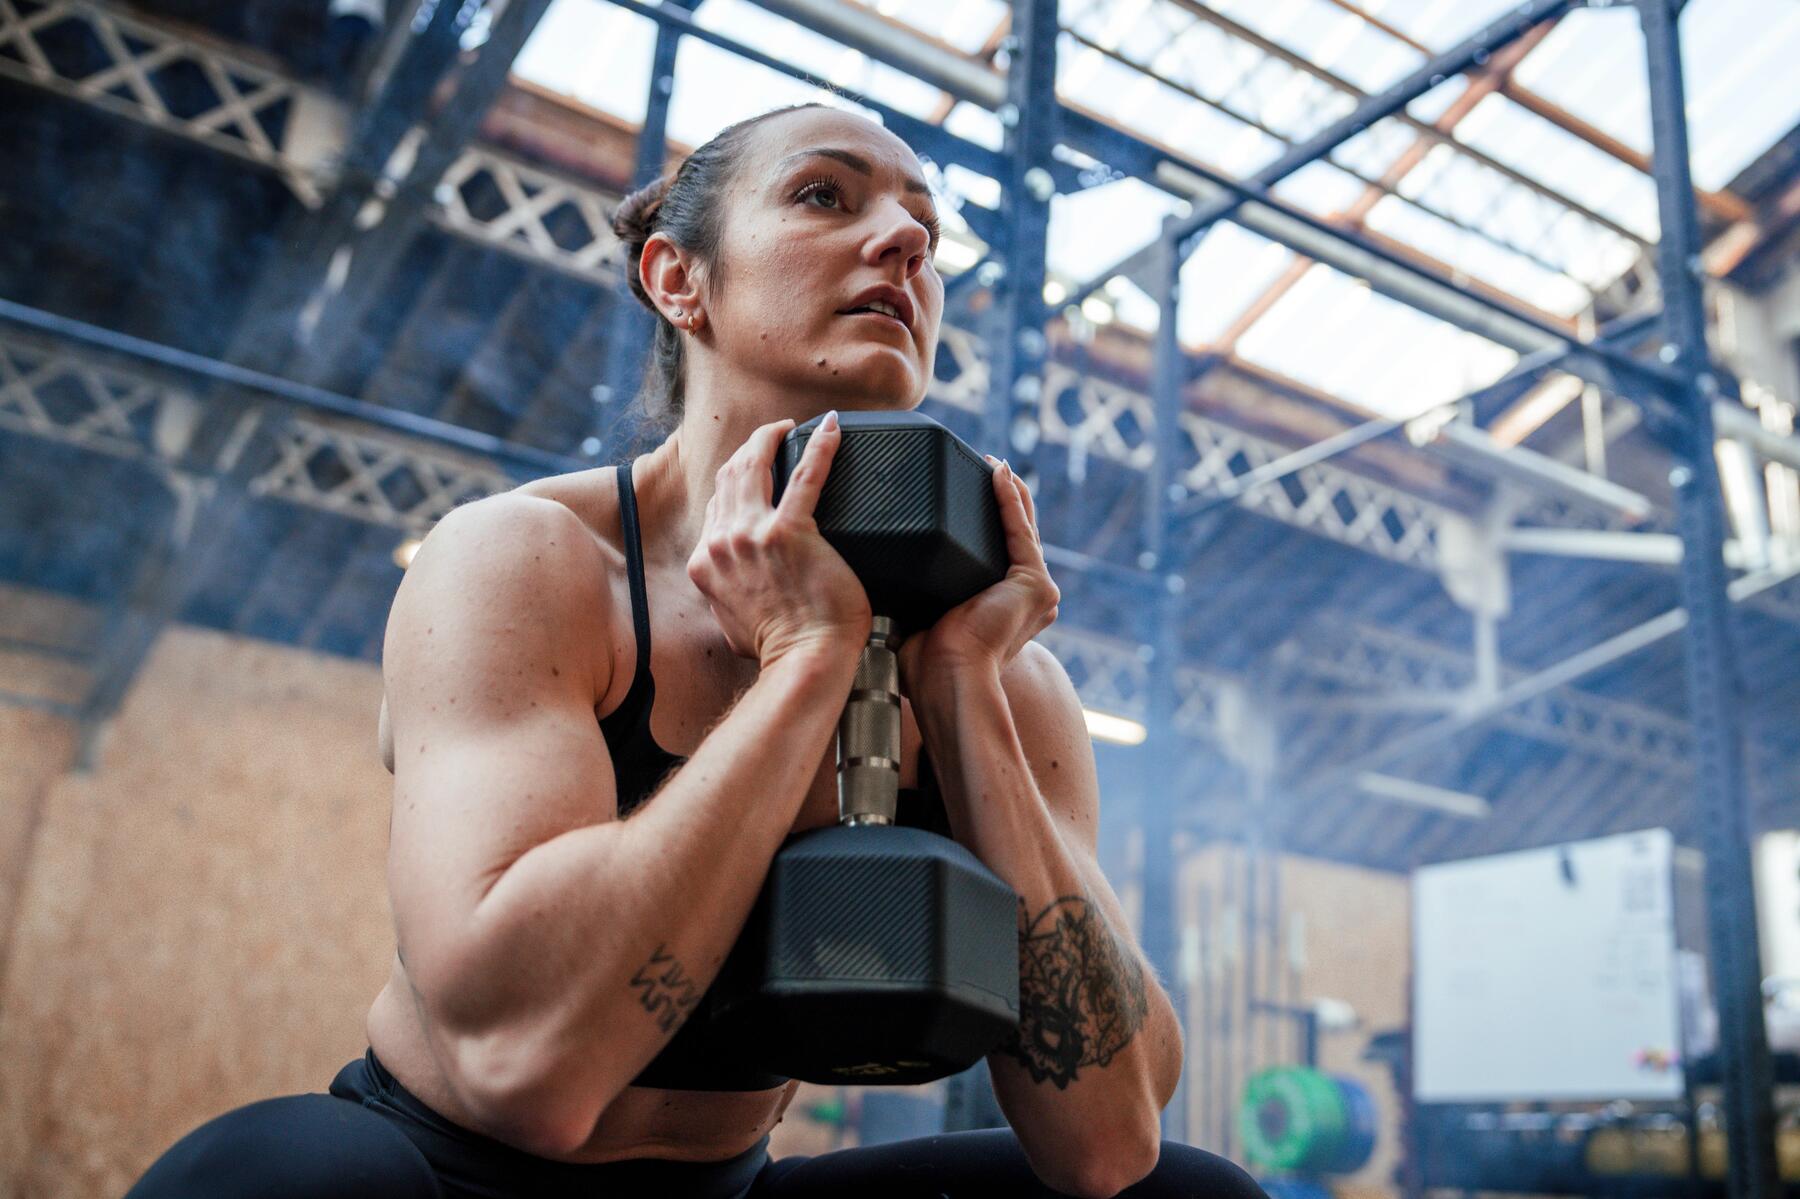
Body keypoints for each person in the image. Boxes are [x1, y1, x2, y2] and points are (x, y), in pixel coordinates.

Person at [128, 101, 1267, 1199]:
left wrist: (965, 690)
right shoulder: (529, 563)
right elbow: (523, 1069)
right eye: (825, 194)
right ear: (679, 279)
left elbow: (1110, 1141)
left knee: (1195, 1194)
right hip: (452, 1165)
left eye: (926, 227)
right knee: (276, 1181)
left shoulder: (1002, 663)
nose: (910, 240)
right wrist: (810, 656)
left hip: (728, 1185)